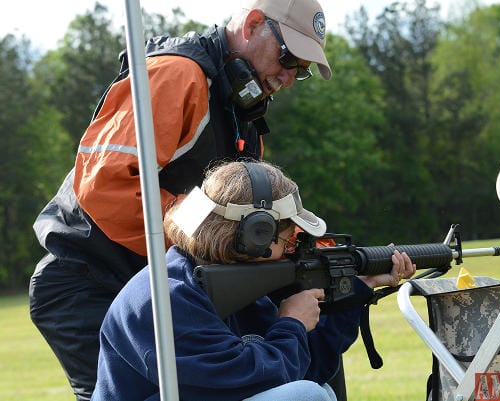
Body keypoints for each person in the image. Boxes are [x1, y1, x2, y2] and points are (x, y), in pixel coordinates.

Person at [30, 0, 333, 400]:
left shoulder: (241, 109)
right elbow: (108, 185)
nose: (290, 76)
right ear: (254, 24)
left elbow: (248, 219)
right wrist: (214, 237)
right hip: (91, 279)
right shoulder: (177, 74)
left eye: (302, 69)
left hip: (160, 283)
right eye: (289, 56)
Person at [90, 160, 416, 401]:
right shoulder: (165, 298)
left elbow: (304, 366)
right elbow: (251, 379)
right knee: (306, 397)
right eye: (287, 240)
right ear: (256, 236)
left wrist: (361, 286)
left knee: (319, 390)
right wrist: (292, 323)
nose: (291, 250)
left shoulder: (229, 284)